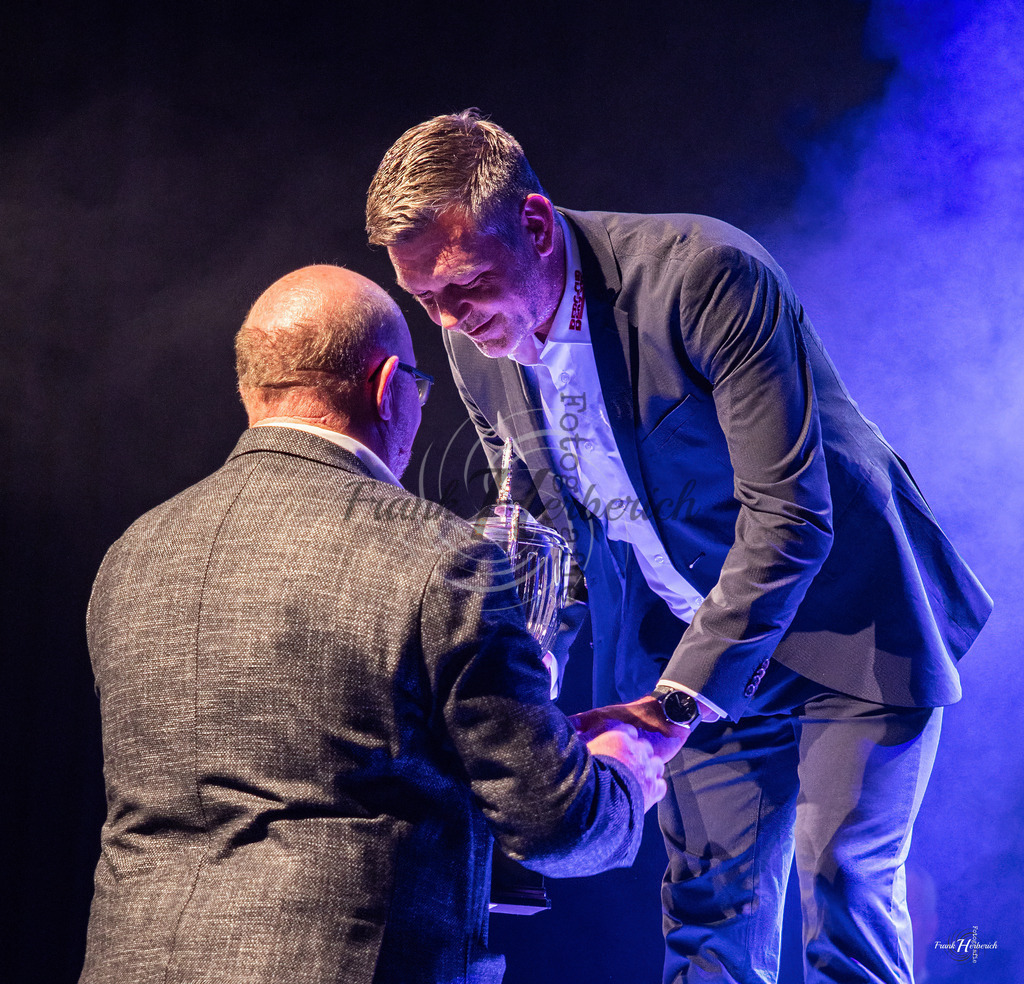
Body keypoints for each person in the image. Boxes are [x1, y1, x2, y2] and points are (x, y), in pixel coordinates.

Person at [366, 111, 993, 984]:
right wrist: (527, 672)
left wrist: (673, 708)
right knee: (706, 921)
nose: (449, 320)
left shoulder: (705, 274)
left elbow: (790, 517)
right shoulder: (471, 348)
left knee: (844, 896)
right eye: (424, 299)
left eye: (463, 285)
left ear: (538, 226)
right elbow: (553, 536)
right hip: (684, 645)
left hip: (845, 624)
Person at [78, 264, 677, 984]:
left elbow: (282, 765)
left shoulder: (132, 555)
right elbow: (555, 822)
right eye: (418, 394)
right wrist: (619, 773)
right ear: (389, 387)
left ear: (253, 387)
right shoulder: (444, 560)